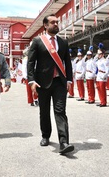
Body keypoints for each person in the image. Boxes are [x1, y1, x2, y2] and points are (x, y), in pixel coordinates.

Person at [27, 14, 74, 154]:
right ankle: (45, 135)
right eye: (53, 22)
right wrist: (31, 81)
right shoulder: (37, 41)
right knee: (44, 111)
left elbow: (68, 64)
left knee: (60, 111)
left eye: (57, 22)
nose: (56, 24)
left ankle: (64, 142)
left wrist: (69, 80)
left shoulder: (63, 42)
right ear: (45, 26)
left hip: (59, 82)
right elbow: (31, 63)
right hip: (42, 83)